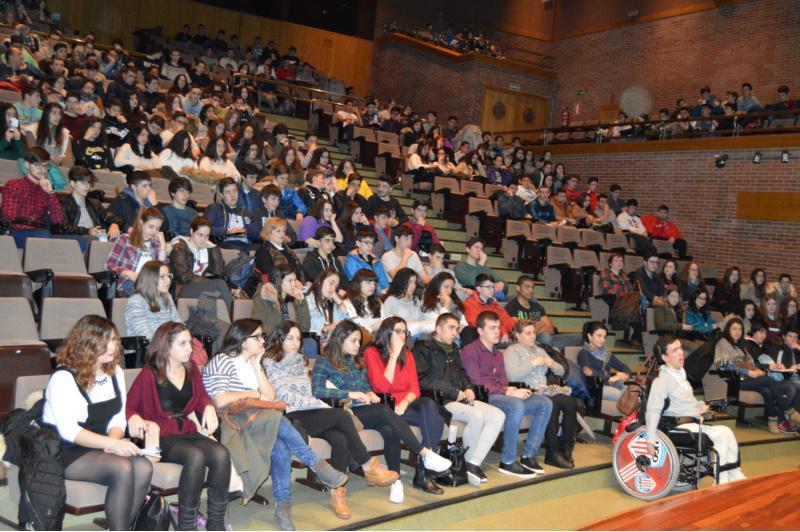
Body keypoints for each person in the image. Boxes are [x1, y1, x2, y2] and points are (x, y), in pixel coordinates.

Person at [202, 319, 348, 530]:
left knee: (280, 447)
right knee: (276, 417)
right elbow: (221, 400)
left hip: (258, 419)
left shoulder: (254, 363)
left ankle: (283, 506)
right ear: (243, 341)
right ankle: (316, 464)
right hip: (232, 423)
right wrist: (255, 394)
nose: (263, 340)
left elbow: (270, 396)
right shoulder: (222, 360)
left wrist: (256, 366)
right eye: (258, 336)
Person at [264, 321, 400, 518]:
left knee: (340, 439)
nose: (295, 343)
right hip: (293, 415)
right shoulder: (270, 363)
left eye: (298, 338)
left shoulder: (300, 361)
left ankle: (338, 495)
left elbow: (311, 393)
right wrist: (321, 405)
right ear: (278, 340)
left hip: (311, 411)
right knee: (342, 415)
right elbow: (285, 397)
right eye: (289, 338)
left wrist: (319, 404)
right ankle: (367, 464)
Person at [312, 320, 452, 503]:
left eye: (358, 341)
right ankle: (424, 453)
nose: (357, 345)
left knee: (389, 430)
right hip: (344, 413)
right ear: (340, 339)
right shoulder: (324, 362)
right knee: (385, 411)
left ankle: (396, 481)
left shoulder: (355, 361)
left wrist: (369, 393)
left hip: (362, 409)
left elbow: (365, 386)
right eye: (354, 341)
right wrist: (350, 393)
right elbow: (317, 390)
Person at [41, 315, 153, 531]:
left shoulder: (115, 372)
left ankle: (119, 526)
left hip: (102, 444)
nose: (113, 347)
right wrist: (113, 446)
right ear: (87, 343)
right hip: (65, 450)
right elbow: (69, 431)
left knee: (143, 467)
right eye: (105, 341)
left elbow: (118, 418)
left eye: (114, 340)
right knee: (121, 467)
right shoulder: (64, 377)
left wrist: (112, 441)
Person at [126, 322, 230, 530]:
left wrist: (208, 407)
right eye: (183, 344)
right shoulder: (150, 374)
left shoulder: (191, 370)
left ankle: (216, 523)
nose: (190, 349)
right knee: (195, 456)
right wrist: (134, 418)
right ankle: (187, 524)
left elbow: (201, 398)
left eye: (189, 343)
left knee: (221, 454)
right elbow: (130, 407)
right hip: (161, 433)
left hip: (186, 429)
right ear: (166, 346)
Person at [413, 313, 505, 486]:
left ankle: (473, 463)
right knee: (476, 415)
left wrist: (468, 388)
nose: (455, 332)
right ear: (438, 329)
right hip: (440, 401)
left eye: (456, 328)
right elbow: (421, 379)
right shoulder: (423, 348)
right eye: (450, 328)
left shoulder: (454, 349)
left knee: (498, 415)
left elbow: (462, 373)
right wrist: (452, 391)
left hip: (459, 398)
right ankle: (467, 464)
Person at [460, 311, 552, 477]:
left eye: (498, 327)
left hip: (499, 394)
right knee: (515, 404)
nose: (497, 331)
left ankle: (528, 455)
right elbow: (477, 384)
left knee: (544, 403)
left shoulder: (497, 353)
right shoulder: (470, 351)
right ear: (480, 331)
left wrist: (514, 390)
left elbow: (503, 381)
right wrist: (508, 391)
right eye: (492, 328)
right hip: (482, 397)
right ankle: (508, 461)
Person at [363, 316, 449, 494]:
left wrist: (404, 402)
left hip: (406, 404)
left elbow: (415, 388)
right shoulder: (372, 352)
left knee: (429, 405)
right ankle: (424, 473)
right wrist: (394, 354)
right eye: (398, 331)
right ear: (387, 332)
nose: (403, 335)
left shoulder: (407, 354)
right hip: (387, 407)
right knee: (437, 420)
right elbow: (382, 387)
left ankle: (426, 464)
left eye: (405, 331)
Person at [645, 335, 746, 484]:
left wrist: (699, 406)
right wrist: (650, 441)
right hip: (677, 426)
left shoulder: (681, 374)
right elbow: (653, 411)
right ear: (665, 357)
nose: (681, 353)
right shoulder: (662, 381)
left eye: (680, 348)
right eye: (674, 350)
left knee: (727, 432)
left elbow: (686, 401)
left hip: (690, 422)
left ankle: (733, 472)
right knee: (722, 433)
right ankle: (722, 478)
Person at [503, 320, 577, 469]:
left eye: (534, 333)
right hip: (527, 391)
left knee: (570, 402)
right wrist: (533, 363)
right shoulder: (512, 351)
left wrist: (551, 364)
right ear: (518, 335)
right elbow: (512, 376)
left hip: (545, 389)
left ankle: (566, 448)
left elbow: (561, 372)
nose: (532, 336)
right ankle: (552, 452)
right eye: (528, 333)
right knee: (552, 403)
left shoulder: (539, 350)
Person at [0, 147, 64, 248]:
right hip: (16, 232)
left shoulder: (45, 189)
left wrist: (50, 193)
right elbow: (9, 217)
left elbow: (58, 221)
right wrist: (33, 227)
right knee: (43, 236)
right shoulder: (14, 185)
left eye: (46, 166)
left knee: (80, 241)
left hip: (40, 233)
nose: (43, 170)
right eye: (38, 166)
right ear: (27, 165)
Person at [747, 322, 800, 434]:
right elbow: (752, 364)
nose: (763, 335)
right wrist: (775, 366)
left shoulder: (766, 346)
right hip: (754, 378)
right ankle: (785, 415)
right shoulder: (748, 346)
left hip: (768, 378)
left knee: (791, 387)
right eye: (760, 332)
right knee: (791, 388)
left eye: (765, 333)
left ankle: (788, 417)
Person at [169, 216, 232, 309]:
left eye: (207, 236)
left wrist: (213, 248)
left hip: (200, 287)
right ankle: (229, 318)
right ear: (191, 232)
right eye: (200, 235)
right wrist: (207, 282)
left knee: (218, 295)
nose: (204, 239)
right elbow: (183, 277)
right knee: (220, 285)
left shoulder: (205, 249)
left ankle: (222, 319)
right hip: (183, 288)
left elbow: (218, 271)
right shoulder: (180, 248)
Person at [504, 274, 582, 349]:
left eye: (532, 287)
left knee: (580, 337)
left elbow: (550, 328)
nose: (531, 290)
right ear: (518, 288)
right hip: (529, 341)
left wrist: (534, 327)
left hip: (545, 339)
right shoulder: (511, 307)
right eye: (527, 287)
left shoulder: (536, 306)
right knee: (545, 337)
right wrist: (540, 324)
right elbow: (519, 331)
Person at [106, 207, 167, 296]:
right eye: (151, 227)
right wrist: (129, 273)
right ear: (141, 223)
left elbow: (162, 270)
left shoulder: (156, 244)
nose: (154, 231)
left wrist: (163, 244)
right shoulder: (126, 240)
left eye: (158, 228)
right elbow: (109, 265)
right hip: (129, 284)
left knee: (165, 296)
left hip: (151, 286)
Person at [576, 321, 631, 411]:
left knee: (631, 389)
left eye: (604, 337)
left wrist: (626, 375)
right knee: (624, 395)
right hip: (595, 388)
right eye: (599, 336)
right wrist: (610, 378)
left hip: (609, 383)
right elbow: (588, 371)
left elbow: (622, 366)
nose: (602, 340)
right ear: (589, 336)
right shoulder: (584, 353)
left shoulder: (606, 354)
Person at [124, 260, 182, 340]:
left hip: (168, 345)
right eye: (162, 276)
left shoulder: (167, 297)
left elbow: (178, 323)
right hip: (148, 349)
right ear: (150, 279)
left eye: (169, 276)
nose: (168, 280)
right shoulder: (136, 300)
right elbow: (145, 334)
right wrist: (171, 344)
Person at [60, 165, 122, 240]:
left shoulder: (95, 203)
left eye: (89, 183)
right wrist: (87, 231)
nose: (88, 186)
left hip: (97, 238)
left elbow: (110, 217)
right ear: (72, 183)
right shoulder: (63, 203)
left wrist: (115, 224)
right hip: (78, 239)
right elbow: (64, 227)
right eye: (83, 183)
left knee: (122, 238)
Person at [251, 263, 311, 335]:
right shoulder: (264, 295)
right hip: (272, 341)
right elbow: (257, 325)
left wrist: (301, 300)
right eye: (290, 281)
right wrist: (283, 332)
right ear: (279, 281)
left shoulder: (293, 299)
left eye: (294, 280)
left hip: (290, 340)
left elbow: (305, 328)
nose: (293, 284)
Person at [205, 177, 260, 251]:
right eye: (228, 192)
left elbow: (256, 235)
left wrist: (247, 230)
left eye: (235, 191)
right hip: (225, 244)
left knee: (263, 249)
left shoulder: (245, 211)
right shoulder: (215, 208)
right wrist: (228, 231)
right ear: (221, 195)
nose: (232, 195)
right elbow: (206, 229)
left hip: (245, 245)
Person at [463, 273, 517, 343]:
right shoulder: (470, 303)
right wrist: (502, 332)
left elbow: (506, 319)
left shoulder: (493, 303)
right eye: (488, 287)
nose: (492, 290)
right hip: (483, 340)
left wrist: (517, 330)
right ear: (479, 289)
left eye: (493, 287)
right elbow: (478, 325)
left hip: (500, 337)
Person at [255, 217, 305, 282]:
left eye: (283, 231)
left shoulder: (287, 249)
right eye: (278, 231)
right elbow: (272, 275)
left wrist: (308, 282)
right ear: (268, 233)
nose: (283, 234)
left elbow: (300, 269)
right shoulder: (263, 251)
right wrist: (294, 282)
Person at [344, 227, 391, 293]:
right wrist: (380, 291)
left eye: (371, 243)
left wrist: (388, 290)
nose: (370, 246)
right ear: (358, 243)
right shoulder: (351, 261)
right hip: (360, 294)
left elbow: (383, 280)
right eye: (366, 242)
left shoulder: (376, 260)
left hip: (378, 293)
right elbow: (357, 284)